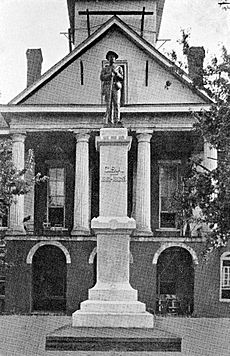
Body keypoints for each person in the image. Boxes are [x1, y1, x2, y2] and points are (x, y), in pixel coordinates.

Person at [100, 51, 123, 125]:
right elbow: (102, 77)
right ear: (108, 59)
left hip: (115, 86)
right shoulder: (105, 69)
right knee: (109, 103)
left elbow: (122, 77)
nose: (112, 58)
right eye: (110, 57)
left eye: (113, 57)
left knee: (116, 103)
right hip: (108, 86)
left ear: (115, 59)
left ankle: (117, 119)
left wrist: (116, 73)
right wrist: (110, 74)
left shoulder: (118, 68)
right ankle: (110, 120)